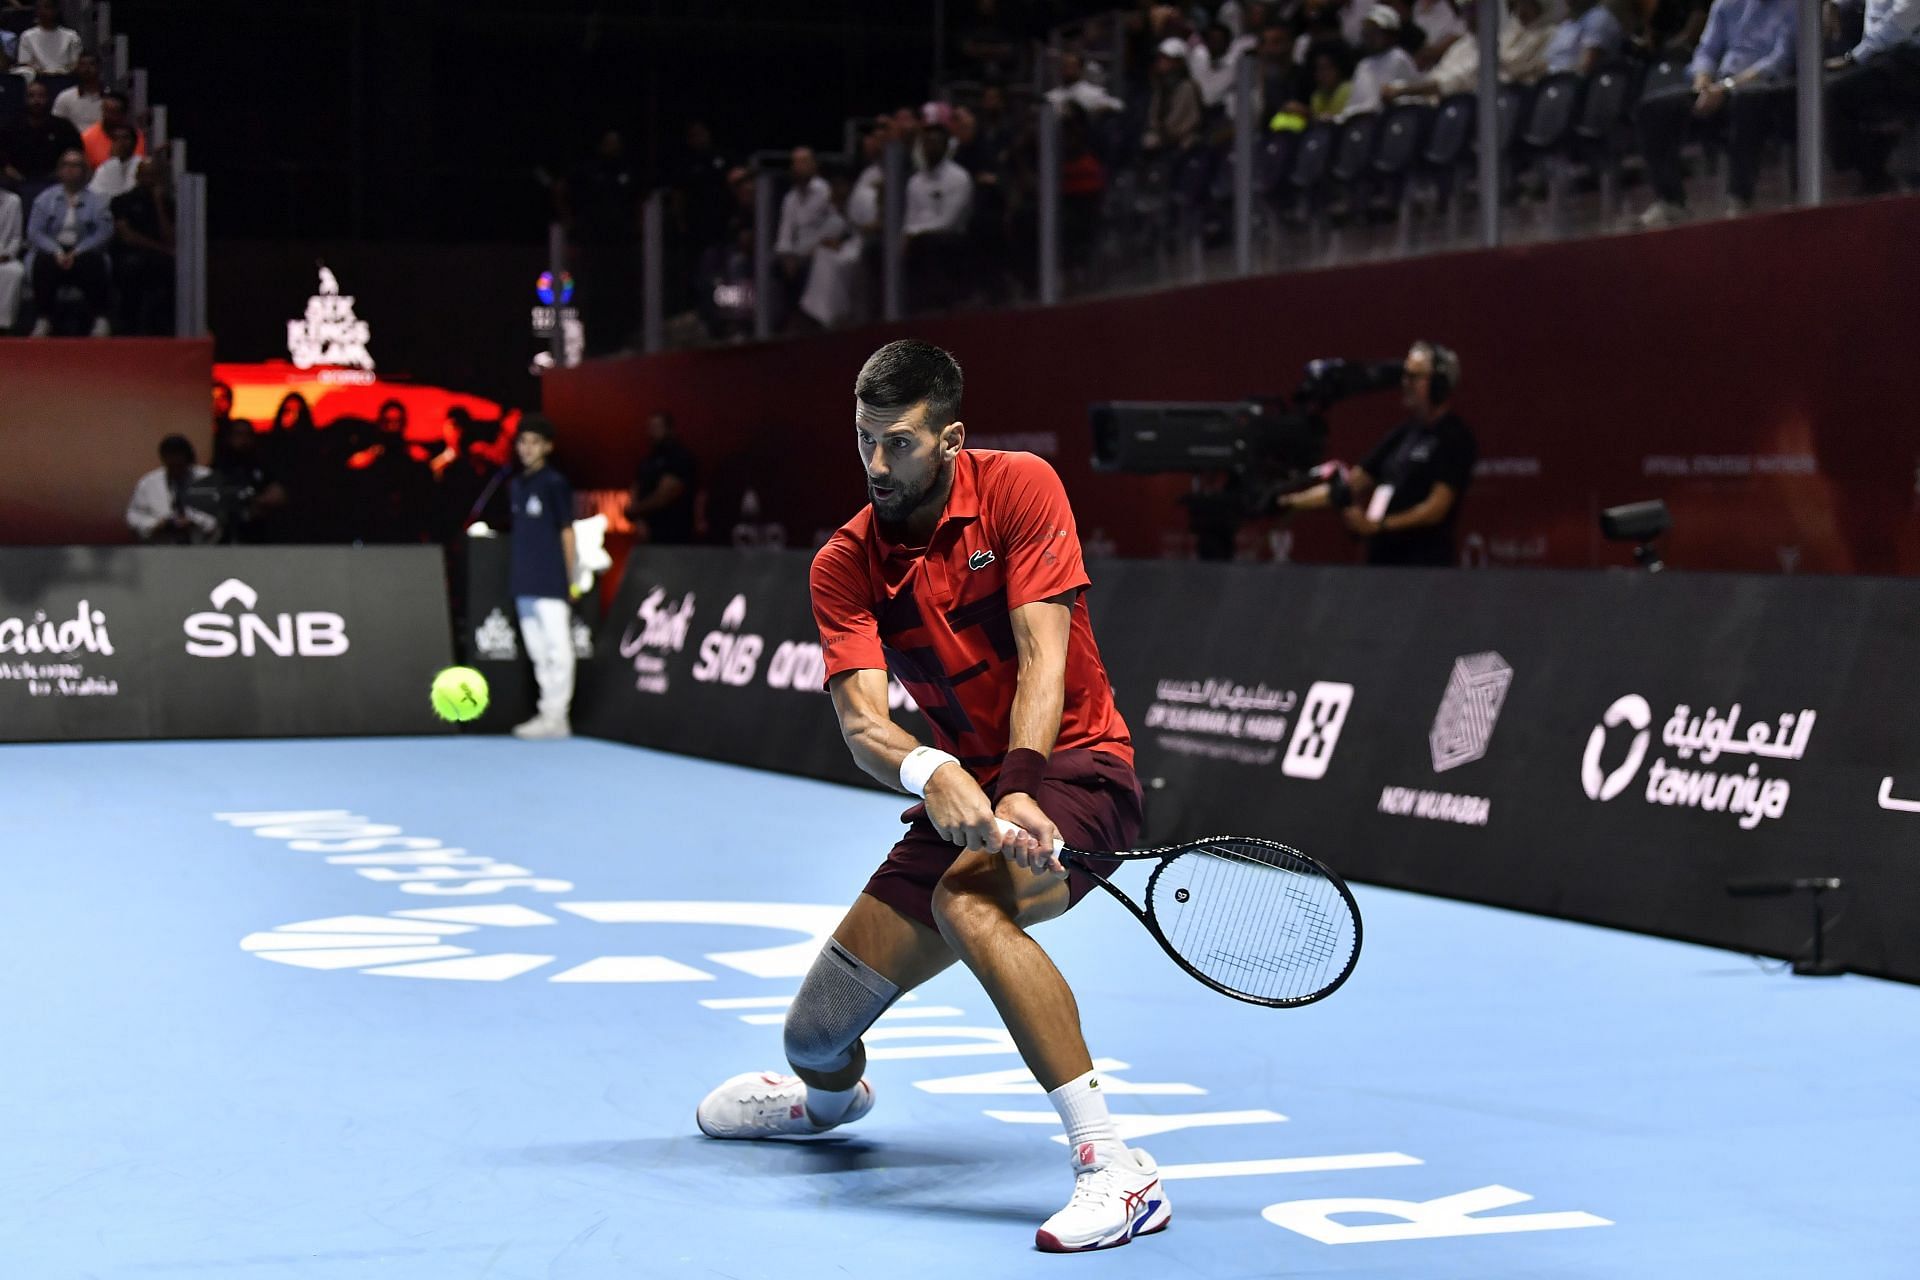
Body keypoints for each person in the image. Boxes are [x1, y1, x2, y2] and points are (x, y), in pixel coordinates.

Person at [695, 340, 1168, 1254]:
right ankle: (823, 1107)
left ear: (951, 439)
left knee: (971, 901)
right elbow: (866, 725)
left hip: (1075, 770)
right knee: (816, 1035)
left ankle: (1117, 1166)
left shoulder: (1021, 488)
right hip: (965, 792)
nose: (876, 463)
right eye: (864, 439)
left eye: (898, 442)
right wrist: (932, 771)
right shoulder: (844, 563)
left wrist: (1020, 787)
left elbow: (1045, 658)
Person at [1278, 341, 1477, 565]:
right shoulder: (1402, 434)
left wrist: (1379, 526)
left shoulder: (1454, 437)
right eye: (1405, 376)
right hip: (1382, 564)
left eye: (1414, 377)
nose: (1405, 384)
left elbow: (1436, 508)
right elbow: (1350, 485)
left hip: (1424, 569)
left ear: (1439, 385)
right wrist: (1288, 501)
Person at [1636, 0, 1797, 226]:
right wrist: (1703, 82)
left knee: (1748, 101)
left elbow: (1779, 62)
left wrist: (1727, 87)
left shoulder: (1795, 6)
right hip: (1718, 85)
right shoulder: (1726, 4)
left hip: (1768, 88)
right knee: (1654, 108)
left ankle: (1739, 197)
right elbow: (1706, 52)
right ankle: (1670, 200)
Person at [508, 416, 578, 740]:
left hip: (551, 580)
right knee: (537, 650)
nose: (527, 448)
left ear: (548, 447)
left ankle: (558, 715)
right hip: (524, 580)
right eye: (522, 441)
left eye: (534, 442)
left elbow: (567, 532)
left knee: (557, 648)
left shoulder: (554, 483)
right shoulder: (516, 484)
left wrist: (571, 577)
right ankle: (546, 711)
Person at [1825, 0, 1920, 195]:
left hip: (1908, 52)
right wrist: (1833, 4)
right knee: (1818, 82)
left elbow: (1902, 20)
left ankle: (1863, 175)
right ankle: (1869, 172)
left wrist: (1855, 57)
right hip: (1880, 51)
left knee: (1836, 92)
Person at [1382, 0, 1557, 102]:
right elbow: (1437, 77)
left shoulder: (1547, 33)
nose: (1468, 15)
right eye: (1465, 10)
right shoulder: (1462, 46)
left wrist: (1403, 89)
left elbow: (1456, 80)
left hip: (1493, 105)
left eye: (1473, 9)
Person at [28, 148, 112, 336]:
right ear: (59, 170)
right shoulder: (45, 199)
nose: (70, 169)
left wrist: (78, 251)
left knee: (94, 262)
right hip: (54, 250)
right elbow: (35, 232)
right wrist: (56, 251)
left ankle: (100, 319)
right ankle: (43, 319)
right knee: (42, 262)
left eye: (75, 165)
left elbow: (103, 232)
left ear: (84, 170)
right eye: (66, 165)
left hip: (83, 250)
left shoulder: (97, 201)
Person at [111, 155, 174, 333]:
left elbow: (170, 237)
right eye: (146, 175)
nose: (149, 180)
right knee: (132, 266)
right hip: (129, 254)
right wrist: (161, 248)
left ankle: (163, 328)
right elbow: (127, 236)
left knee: (169, 269)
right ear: (137, 176)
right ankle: (127, 326)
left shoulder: (167, 203)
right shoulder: (121, 201)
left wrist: (158, 203)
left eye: (153, 176)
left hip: (159, 257)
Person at [1, 79, 85, 208]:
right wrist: (8, 169)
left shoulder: (63, 127)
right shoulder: (11, 126)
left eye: (41, 96)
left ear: (48, 98)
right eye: (31, 96)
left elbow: (76, 151)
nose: (36, 101)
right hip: (17, 180)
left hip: (55, 179)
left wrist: (61, 171)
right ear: (25, 99)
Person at [127, 434, 221, 544]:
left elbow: (220, 513)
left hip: (202, 546)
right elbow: (134, 516)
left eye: (179, 460)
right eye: (171, 459)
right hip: (161, 547)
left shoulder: (207, 478)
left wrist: (195, 521)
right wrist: (155, 524)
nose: (175, 462)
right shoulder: (149, 483)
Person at [625, 409, 699, 544]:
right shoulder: (648, 459)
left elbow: (665, 495)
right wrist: (639, 520)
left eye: (657, 427)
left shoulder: (679, 457)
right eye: (650, 427)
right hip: (648, 536)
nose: (652, 432)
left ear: (670, 429)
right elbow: (636, 488)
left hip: (674, 534)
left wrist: (635, 510)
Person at [211, 416, 288, 544]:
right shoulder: (218, 466)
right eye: (239, 434)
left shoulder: (261, 466)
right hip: (223, 536)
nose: (244, 439)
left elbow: (279, 495)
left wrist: (256, 501)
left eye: (248, 435)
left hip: (257, 535)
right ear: (229, 437)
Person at [774, 146, 834, 297]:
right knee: (772, 265)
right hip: (796, 254)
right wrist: (786, 254)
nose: (799, 167)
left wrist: (816, 248)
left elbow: (835, 225)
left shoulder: (825, 191)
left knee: (809, 267)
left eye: (804, 162)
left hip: (818, 251)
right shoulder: (790, 198)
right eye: (796, 163)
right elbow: (785, 232)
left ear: (814, 165)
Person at [1347, 6, 1421, 117]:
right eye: (1367, 32)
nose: (1370, 37)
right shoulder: (1363, 65)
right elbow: (1355, 106)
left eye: (1375, 32)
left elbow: (1408, 100)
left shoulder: (1399, 58)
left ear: (1391, 34)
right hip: (1364, 125)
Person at [1545, 0, 1626, 74]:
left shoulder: (1598, 17)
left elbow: (1585, 67)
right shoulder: (1567, 24)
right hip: (1552, 83)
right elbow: (1549, 60)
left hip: (1574, 84)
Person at [81, 90, 145, 170]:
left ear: (123, 114)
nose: (107, 116)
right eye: (105, 110)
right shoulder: (87, 138)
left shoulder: (137, 137)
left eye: (113, 112)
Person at [1046, 49, 1124, 114]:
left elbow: (1118, 105)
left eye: (1072, 67)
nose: (1068, 71)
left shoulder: (1092, 92)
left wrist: (1097, 110)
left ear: (1080, 69)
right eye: (1065, 66)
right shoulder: (1053, 96)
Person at [16, 0, 79, 75]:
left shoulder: (71, 36)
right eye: (39, 8)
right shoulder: (27, 36)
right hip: (38, 79)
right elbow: (25, 64)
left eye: (47, 7)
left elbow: (76, 63)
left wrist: (61, 73)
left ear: (56, 10)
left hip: (65, 78)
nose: (42, 11)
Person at [50, 50, 102, 131]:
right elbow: (56, 126)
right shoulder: (65, 97)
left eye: (91, 64)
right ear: (77, 68)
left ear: (99, 67)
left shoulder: (108, 98)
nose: (87, 68)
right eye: (83, 65)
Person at [88, 121, 139, 198]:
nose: (121, 143)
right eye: (116, 139)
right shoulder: (104, 169)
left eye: (125, 138)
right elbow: (94, 194)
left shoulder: (142, 165)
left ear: (134, 142)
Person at [0, 185, 21, 332]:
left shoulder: (13, 201)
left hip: (3, 255)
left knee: (14, 272)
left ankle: (3, 325)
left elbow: (16, 237)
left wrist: (7, 254)